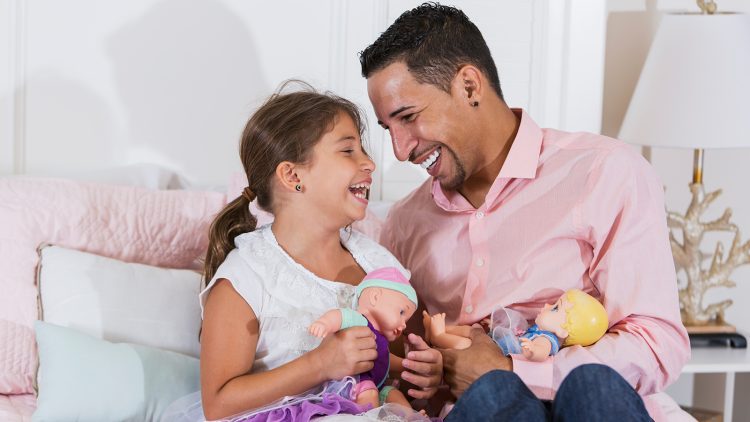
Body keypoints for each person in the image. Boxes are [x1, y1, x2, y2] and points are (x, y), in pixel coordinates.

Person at [359, 3, 690, 420]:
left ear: (468, 86)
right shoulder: (405, 224)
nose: (401, 150)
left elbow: (657, 342)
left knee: (590, 384)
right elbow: (403, 368)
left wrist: (517, 369)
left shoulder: (604, 172)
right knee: (493, 397)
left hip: (594, 404)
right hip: (482, 411)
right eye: (389, 129)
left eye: (408, 117)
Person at [197, 83, 442, 420]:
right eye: (348, 151)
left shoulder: (378, 265)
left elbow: (395, 361)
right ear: (293, 175)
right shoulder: (247, 276)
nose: (369, 163)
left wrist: (422, 373)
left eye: (363, 150)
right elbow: (218, 404)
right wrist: (319, 365)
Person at [309, 267, 418, 409]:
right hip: (354, 382)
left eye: (406, 320)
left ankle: (410, 416)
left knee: (393, 394)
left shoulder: (381, 339)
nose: (403, 325)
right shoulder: (360, 321)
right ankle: (366, 418)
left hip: (377, 386)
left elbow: (385, 359)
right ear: (375, 297)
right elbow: (340, 316)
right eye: (401, 312)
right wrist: (324, 323)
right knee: (370, 393)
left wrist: (407, 365)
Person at [424, 289, 609, 362]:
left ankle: (438, 336)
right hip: (499, 342)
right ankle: (439, 327)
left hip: (499, 353)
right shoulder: (539, 330)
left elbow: (541, 352)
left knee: (467, 345)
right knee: (473, 330)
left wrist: (532, 350)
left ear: (563, 330)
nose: (546, 306)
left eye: (554, 309)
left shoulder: (547, 339)